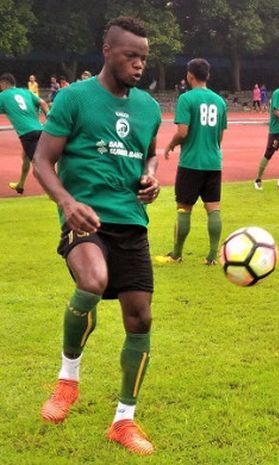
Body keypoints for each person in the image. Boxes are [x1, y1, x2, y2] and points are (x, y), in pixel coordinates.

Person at [32, 16, 162, 455]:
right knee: (91, 280)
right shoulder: (73, 98)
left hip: (132, 222)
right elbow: (42, 162)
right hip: (85, 220)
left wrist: (150, 176)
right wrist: (67, 204)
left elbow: (148, 159)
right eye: (131, 55)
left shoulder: (149, 107)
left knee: (140, 319)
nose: (139, 64)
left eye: (143, 57)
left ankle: (123, 421)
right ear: (107, 51)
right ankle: (68, 378)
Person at [156, 58, 227, 265]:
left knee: (184, 208)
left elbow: (182, 132)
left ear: (189, 75)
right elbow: (219, 137)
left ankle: (177, 254)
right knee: (213, 208)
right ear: (208, 75)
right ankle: (212, 255)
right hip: (214, 162)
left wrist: (171, 144)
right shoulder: (220, 101)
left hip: (191, 163)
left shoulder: (186, 99)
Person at [0, 73, 49, 194]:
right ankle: (20, 185)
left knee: (39, 168)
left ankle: (58, 194)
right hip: (41, 130)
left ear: (4, 84)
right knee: (25, 156)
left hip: (27, 135)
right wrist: (51, 120)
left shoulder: (3, 96)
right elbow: (43, 103)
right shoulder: (26, 92)